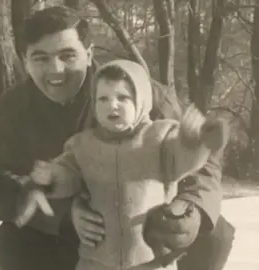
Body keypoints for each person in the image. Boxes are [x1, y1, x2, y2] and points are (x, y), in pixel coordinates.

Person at [0, 5, 235, 270]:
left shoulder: (140, 92)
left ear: (89, 54)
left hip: (147, 227)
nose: (55, 70)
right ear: (24, 61)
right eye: (40, 58)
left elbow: (204, 164)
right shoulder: (11, 110)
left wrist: (191, 208)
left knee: (214, 234)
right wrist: (64, 215)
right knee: (11, 243)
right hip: (67, 234)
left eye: (67, 55)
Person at [16, 60, 230, 270]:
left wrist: (196, 142)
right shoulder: (82, 145)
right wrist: (51, 177)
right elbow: (69, 175)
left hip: (150, 259)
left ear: (142, 101)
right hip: (95, 260)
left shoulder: (160, 138)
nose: (112, 105)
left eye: (123, 97)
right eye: (103, 99)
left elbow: (183, 160)